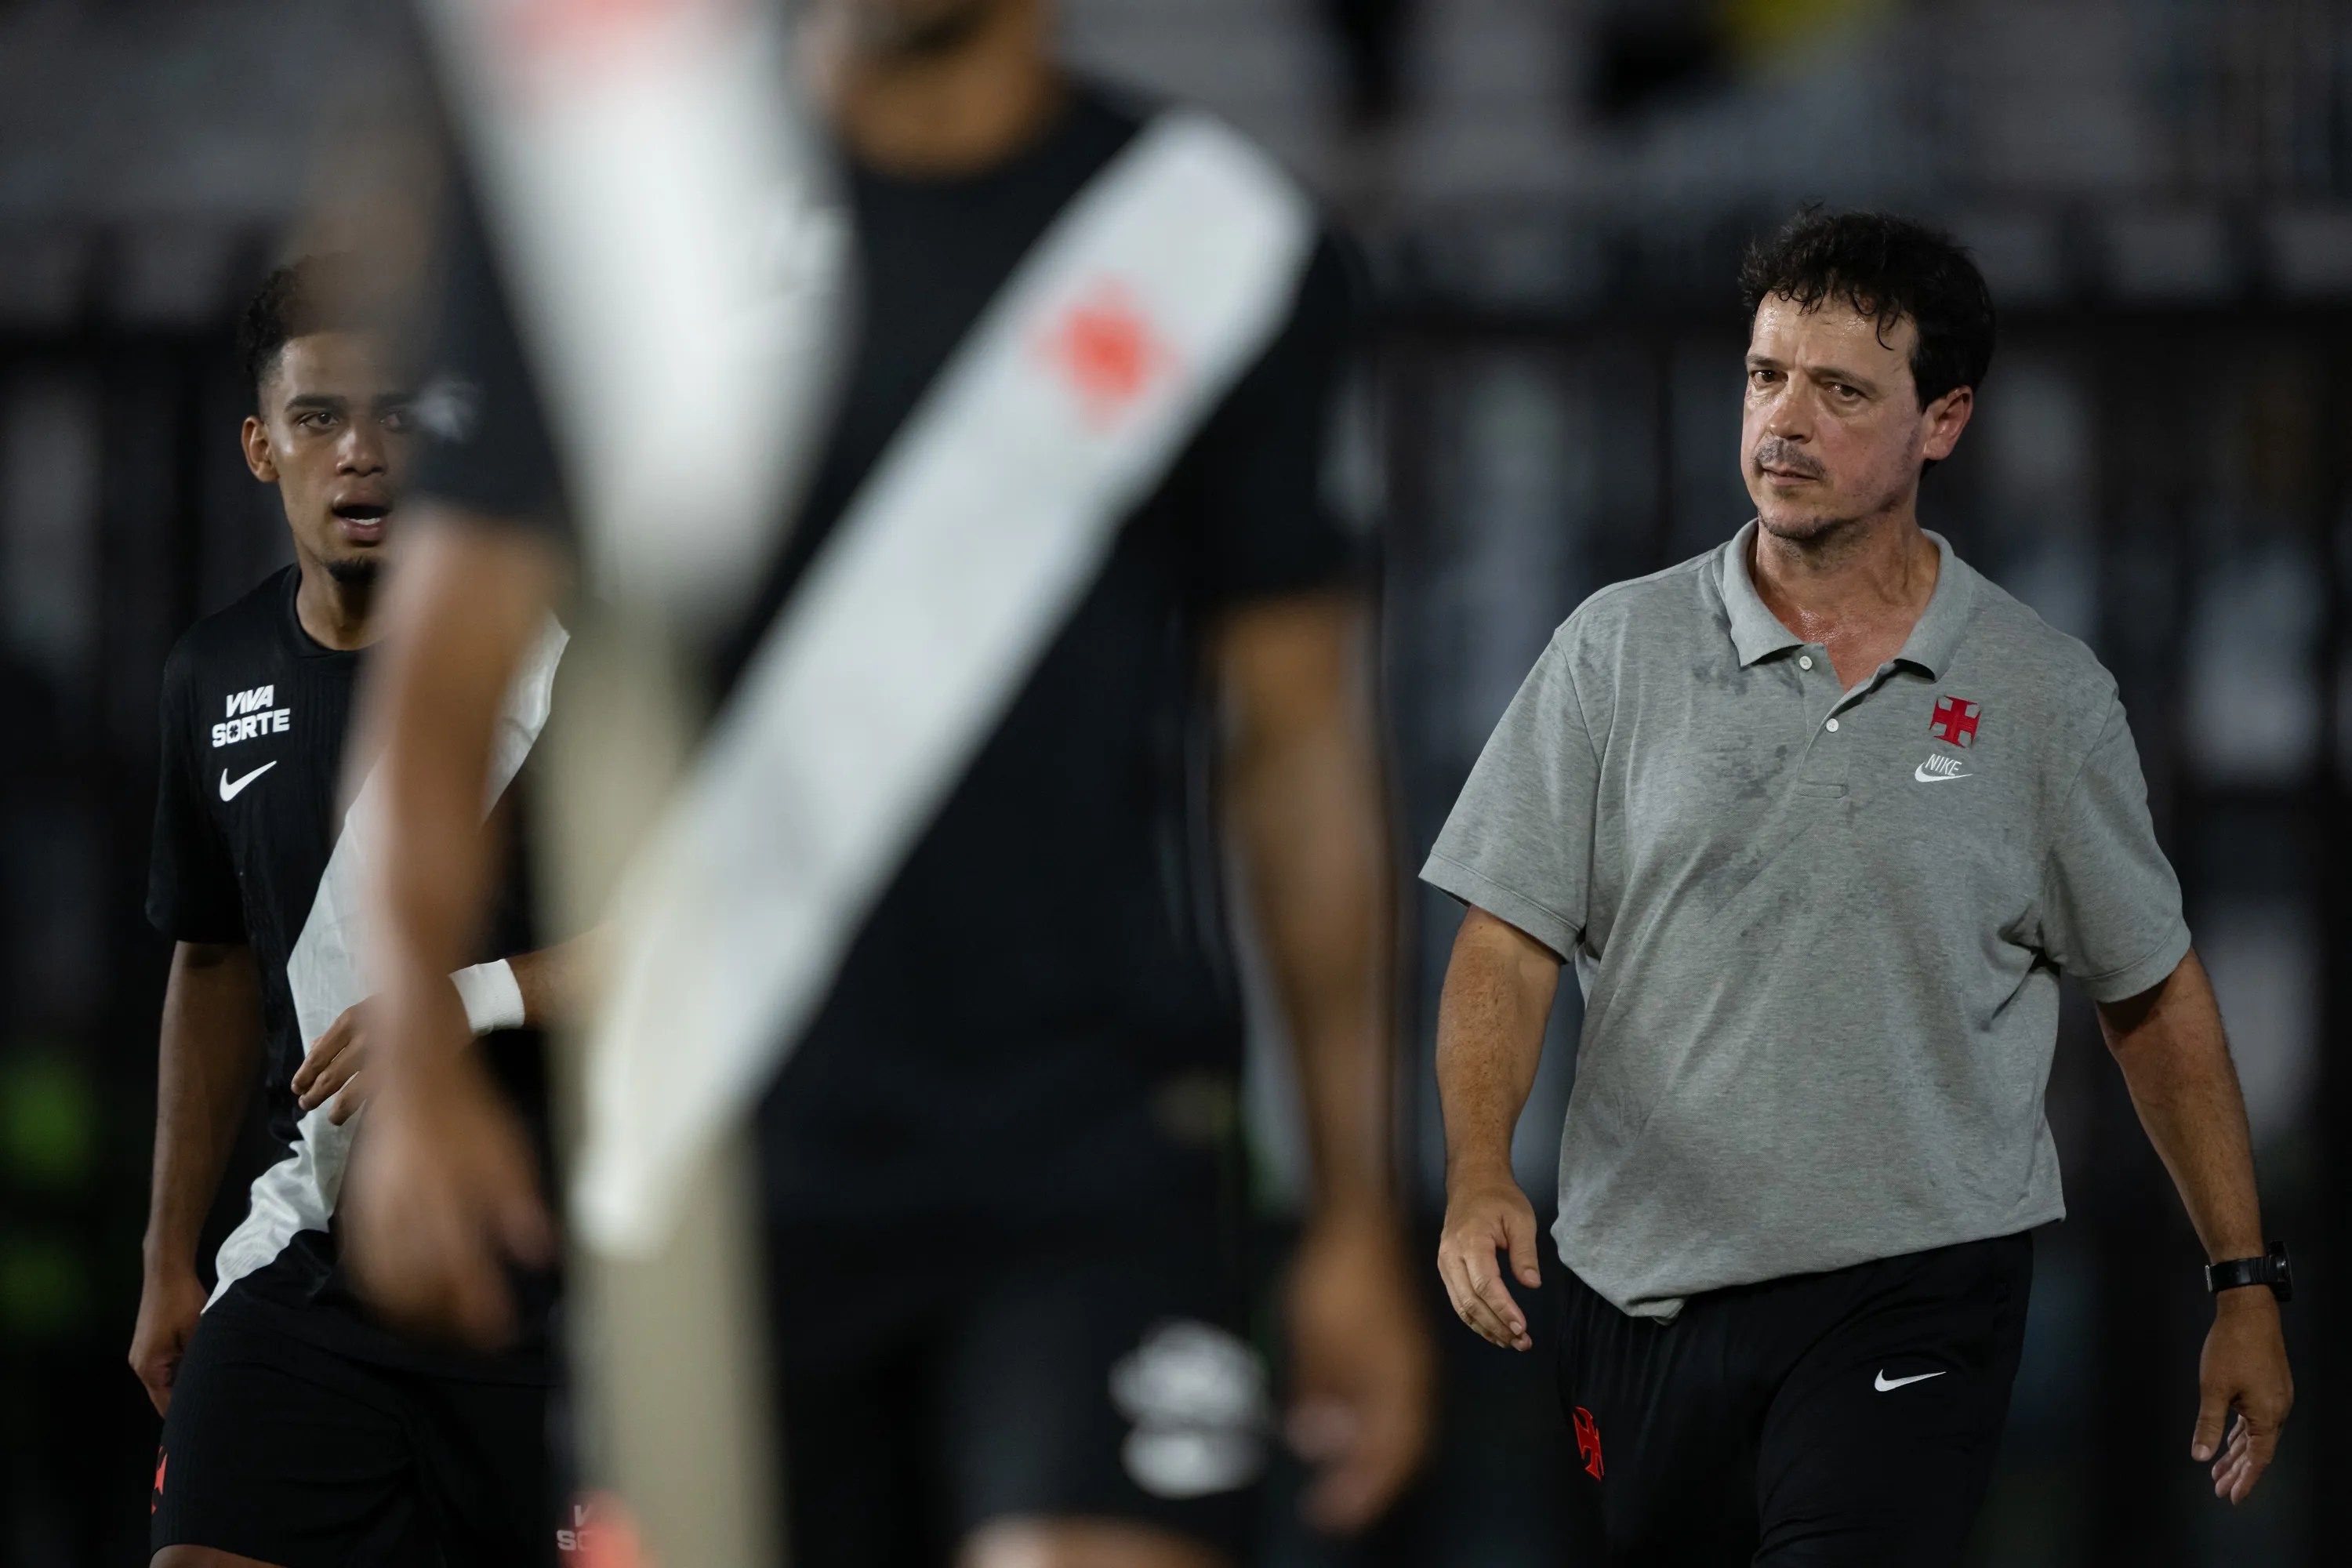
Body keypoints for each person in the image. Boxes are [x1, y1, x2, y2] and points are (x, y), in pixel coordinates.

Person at [337, 1, 1432, 1565]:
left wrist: (1348, 1214)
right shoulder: (623, 208)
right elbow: (438, 683)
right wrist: (420, 1089)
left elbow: (1304, 749)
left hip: (1094, 1152)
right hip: (712, 1169)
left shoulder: (1217, 249)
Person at [1427, 209, 2294, 1564]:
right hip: (1641, 1295)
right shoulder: (1613, 650)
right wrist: (1481, 1167)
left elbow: (2154, 994)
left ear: (1942, 421)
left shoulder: (2043, 697)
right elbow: (1506, 940)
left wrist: (2243, 1282)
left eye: (1840, 390)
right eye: (1768, 375)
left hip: (1915, 1294)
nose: (1786, 419)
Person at [132, 256, 585, 1568]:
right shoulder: (213, 673)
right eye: (321, 418)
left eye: (399, 415)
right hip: (319, 1258)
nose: (362, 453)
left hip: (557, 1278)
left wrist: (465, 1000)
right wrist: (170, 1256)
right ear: (261, 446)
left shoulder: (568, 658)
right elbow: (210, 961)